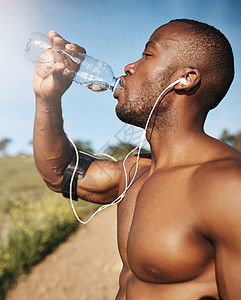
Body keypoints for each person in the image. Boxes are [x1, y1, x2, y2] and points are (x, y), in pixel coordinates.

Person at [32, 19, 241, 299]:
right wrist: (48, 99)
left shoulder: (226, 186)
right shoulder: (134, 173)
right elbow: (58, 173)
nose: (129, 67)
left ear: (185, 78)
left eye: (147, 55)